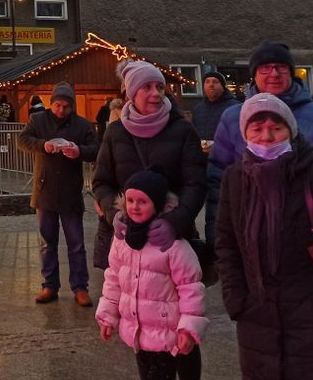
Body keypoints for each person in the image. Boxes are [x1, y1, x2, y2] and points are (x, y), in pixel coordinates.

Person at [217, 94, 313, 380]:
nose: (266, 137)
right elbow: (227, 244)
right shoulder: (235, 179)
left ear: (291, 131)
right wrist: (237, 299)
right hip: (259, 326)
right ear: (245, 135)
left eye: (276, 128)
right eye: (257, 129)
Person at [206, 41, 313, 241]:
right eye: (265, 68)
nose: (274, 74)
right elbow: (218, 180)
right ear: (254, 74)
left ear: (291, 72)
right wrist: (217, 235)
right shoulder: (232, 119)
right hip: (251, 233)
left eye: (281, 67)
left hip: (310, 232)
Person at [92, 61, 207, 271]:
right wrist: (113, 213)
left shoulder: (183, 130)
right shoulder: (115, 133)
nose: (156, 93)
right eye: (147, 87)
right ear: (131, 94)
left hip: (170, 244)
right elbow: (101, 182)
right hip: (127, 240)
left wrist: (175, 221)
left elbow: (196, 183)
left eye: (159, 87)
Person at [98, 169, 207, 380]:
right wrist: (107, 316)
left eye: (143, 202)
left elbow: (190, 288)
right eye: (130, 200)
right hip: (138, 333)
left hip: (168, 334)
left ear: (156, 204)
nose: (135, 206)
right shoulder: (122, 240)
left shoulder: (173, 245)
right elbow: (113, 279)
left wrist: (188, 329)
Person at [17, 80, 99, 306]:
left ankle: (80, 287)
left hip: (70, 192)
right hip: (44, 191)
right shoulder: (38, 120)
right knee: (47, 242)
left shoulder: (82, 125)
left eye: (66, 106)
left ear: (72, 106)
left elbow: (95, 149)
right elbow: (22, 140)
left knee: (76, 243)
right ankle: (49, 285)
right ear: (51, 104)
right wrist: (43, 145)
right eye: (57, 106)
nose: (61, 110)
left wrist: (79, 151)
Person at [191, 71, 235, 142]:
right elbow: (193, 134)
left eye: (215, 82)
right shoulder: (198, 109)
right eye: (207, 82)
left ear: (223, 87)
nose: (211, 84)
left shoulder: (234, 107)